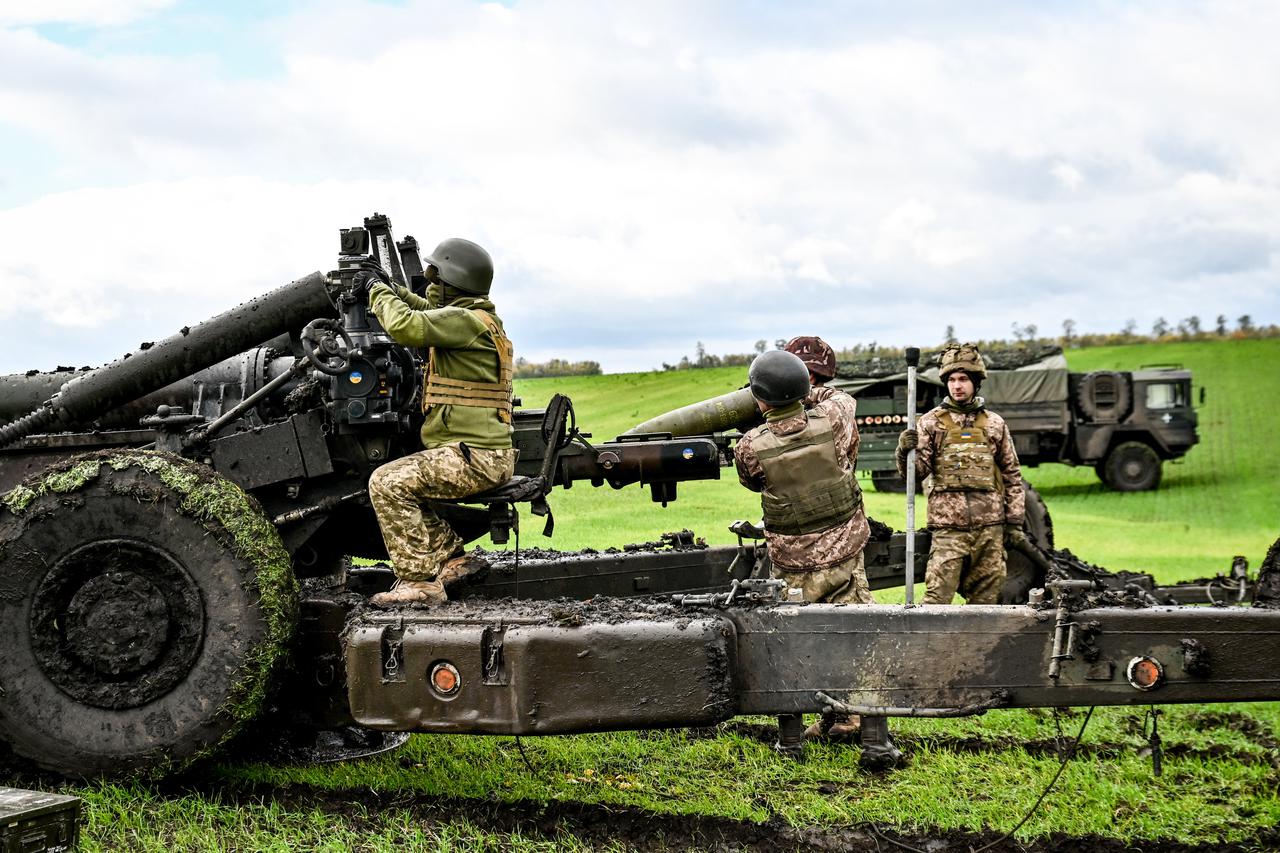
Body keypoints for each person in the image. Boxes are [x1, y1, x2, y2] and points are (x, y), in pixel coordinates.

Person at [361, 238, 517, 607]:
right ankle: (450, 558)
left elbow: (406, 326)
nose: (429, 283)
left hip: (475, 458)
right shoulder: (475, 319)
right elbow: (422, 309)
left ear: (452, 283)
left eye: (435, 275)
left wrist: (375, 291)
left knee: (387, 482)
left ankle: (420, 583)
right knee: (407, 481)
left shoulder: (463, 321)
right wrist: (387, 285)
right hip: (481, 454)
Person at [734, 349, 871, 743]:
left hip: (793, 563)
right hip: (844, 550)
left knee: (796, 642)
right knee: (853, 634)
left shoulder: (748, 447)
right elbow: (841, 397)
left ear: (760, 398)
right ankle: (854, 717)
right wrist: (805, 394)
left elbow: (752, 480)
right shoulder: (836, 416)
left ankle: (793, 731)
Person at [895, 343, 1025, 605]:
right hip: (948, 530)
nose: (957, 386)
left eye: (964, 379)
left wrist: (1014, 521)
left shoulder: (995, 423)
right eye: (952, 380)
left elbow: (1012, 473)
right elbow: (915, 474)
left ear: (976, 383)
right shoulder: (931, 422)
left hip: (989, 528)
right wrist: (903, 451)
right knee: (936, 601)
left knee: (986, 602)